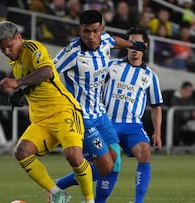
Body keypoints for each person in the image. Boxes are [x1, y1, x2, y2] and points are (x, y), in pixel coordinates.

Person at [0, 20, 95, 203]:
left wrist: (18, 83)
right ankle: (57, 193)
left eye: (9, 46)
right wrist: (19, 95)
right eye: (3, 50)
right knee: (21, 152)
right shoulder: (15, 62)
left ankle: (89, 200)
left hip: (64, 111)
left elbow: (47, 72)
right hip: (41, 120)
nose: (7, 52)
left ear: (19, 38)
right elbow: (38, 86)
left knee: (73, 155)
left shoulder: (32, 48)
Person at [52, 10, 147, 202]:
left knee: (116, 162)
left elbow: (114, 40)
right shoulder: (71, 53)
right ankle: (59, 187)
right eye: (86, 31)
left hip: (101, 116)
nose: (91, 36)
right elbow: (49, 71)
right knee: (105, 165)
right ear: (79, 30)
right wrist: (22, 88)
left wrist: (132, 44)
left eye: (95, 31)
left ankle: (63, 187)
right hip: (83, 118)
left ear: (101, 29)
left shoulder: (105, 41)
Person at [102, 25, 163, 203]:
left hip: (132, 125)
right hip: (108, 122)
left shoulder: (150, 77)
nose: (135, 48)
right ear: (126, 45)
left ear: (146, 45)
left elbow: (156, 106)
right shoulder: (111, 66)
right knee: (109, 164)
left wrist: (157, 132)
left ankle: (138, 202)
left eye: (139, 44)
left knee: (145, 152)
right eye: (131, 44)